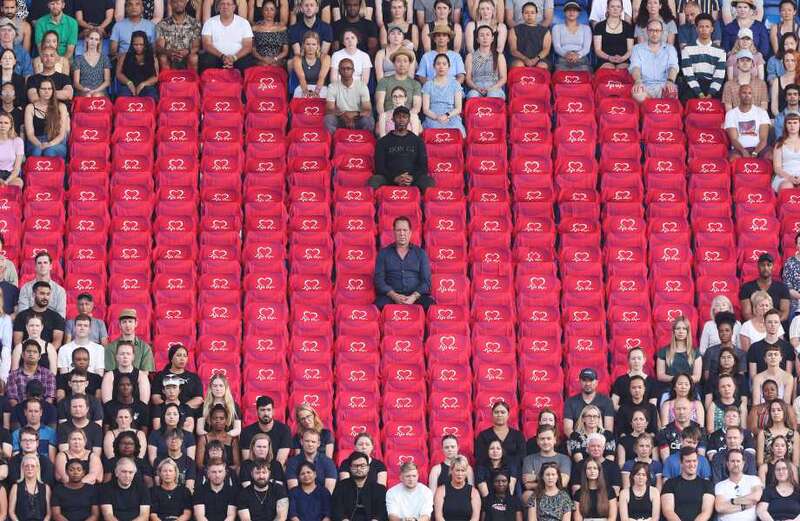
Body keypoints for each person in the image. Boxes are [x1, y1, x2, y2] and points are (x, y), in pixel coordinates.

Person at [372, 108, 431, 189]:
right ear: (393, 119)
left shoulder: (418, 141)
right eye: (398, 117)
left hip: (413, 179)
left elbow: (423, 167)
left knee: (428, 182)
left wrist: (412, 177)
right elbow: (380, 167)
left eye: (405, 117)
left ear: (409, 120)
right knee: (374, 180)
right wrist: (395, 178)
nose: (401, 120)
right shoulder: (382, 142)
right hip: (389, 178)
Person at [629, 19, 678, 102]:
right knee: (637, 94)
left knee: (671, 92)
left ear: (662, 32)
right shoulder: (637, 48)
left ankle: (652, 105)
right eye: (651, 30)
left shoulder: (670, 49)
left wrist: (670, 81)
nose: (654, 33)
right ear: (647, 32)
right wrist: (638, 81)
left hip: (664, 85)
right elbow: (635, 67)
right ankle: (655, 106)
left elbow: (673, 67)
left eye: (657, 30)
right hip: (645, 85)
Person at [678, 13, 725, 100]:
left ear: (712, 29)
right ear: (696, 29)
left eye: (707, 26)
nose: (704, 29)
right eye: (701, 26)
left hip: (712, 85)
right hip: (692, 86)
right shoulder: (687, 49)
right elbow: (688, 74)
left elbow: (719, 76)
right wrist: (700, 94)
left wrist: (711, 94)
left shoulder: (721, 51)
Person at [199, 0, 255, 72]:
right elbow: (206, 44)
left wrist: (234, 58)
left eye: (228, 4)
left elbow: (248, 46)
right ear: (218, 7)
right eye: (222, 4)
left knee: (246, 63)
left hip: (238, 58)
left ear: (234, 7)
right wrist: (222, 56)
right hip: (216, 57)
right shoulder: (210, 22)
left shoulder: (244, 23)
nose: (225, 6)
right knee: (206, 60)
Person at [661, 447, 714, 521]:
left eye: (694, 461)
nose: (692, 464)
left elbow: (706, 512)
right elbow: (668, 511)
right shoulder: (669, 484)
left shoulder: (707, 485)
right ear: (681, 463)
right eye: (688, 461)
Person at [331, 452, 386, 521]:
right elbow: (336, 508)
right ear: (350, 468)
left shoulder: (379, 489)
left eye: (362, 466)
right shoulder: (341, 486)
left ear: (368, 468)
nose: (359, 469)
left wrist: (376, 519)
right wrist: (343, 519)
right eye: (355, 466)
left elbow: (382, 511)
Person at [324, 57, 374, 133]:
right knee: (328, 119)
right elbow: (329, 110)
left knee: (368, 120)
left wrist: (354, 115)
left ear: (353, 70)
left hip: (358, 118)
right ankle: (333, 143)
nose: (345, 71)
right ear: (339, 71)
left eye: (348, 68)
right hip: (340, 118)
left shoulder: (362, 86)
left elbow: (367, 110)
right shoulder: (332, 87)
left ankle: (364, 141)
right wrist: (344, 116)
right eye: (342, 68)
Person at [521, 426, 571, 499]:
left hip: (558, 496)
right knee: (527, 494)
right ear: (537, 441)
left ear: (555, 440)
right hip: (537, 495)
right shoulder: (528, 459)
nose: (545, 442)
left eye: (548, 438)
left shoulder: (564, 459)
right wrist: (552, 481)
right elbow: (527, 485)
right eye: (542, 439)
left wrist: (536, 477)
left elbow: (562, 483)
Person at [23, 78, 67, 158]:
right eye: (43, 88)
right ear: (38, 90)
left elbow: (61, 134)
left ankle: (56, 170)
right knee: (37, 151)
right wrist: (40, 145)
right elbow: (30, 134)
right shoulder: (30, 107)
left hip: (56, 142)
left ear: (53, 91)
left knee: (49, 151)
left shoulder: (61, 107)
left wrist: (49, 144)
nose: (46, 91)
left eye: (49, 89)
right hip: (35, 141)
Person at [421, 53, 465, 134]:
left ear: (449, 66)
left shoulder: (455, 84)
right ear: (434, 66)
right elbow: (425, 109)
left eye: (444, 64)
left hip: (451, 116)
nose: (441, 66)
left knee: (457, 132)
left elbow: (458, 108)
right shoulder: (428, 85)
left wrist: (447, 115)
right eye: (438, 64)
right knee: (434, 131)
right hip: (433, 116)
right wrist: (437, 117)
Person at [564, 368, 614, 438]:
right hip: (577, 440)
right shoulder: (570, 402)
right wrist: (579, 440)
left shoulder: (607, 401)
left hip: (599, 442)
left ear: (596, 382)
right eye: (584, 380)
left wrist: (597, 442)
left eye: (591, 380)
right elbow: (567, 428)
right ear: (580, 382)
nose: (587, 383)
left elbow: (608, 428)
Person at [241, 396, 292, 464]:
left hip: (276, 470)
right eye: (262, 410)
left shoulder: (284, 430)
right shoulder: (246, 432)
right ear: (257, 412)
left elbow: (280, 461)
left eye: (268, 410)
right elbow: (248, 460)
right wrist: (260, 473)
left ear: (273, 411)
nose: (266, 414)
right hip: (254, 471)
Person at [714, 449, 763, 519]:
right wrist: (744, 506)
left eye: (738, 461)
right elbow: (720, 508)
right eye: (732, 461)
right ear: (727, 464)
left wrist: (732, 501)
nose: (736, 464)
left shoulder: (754, 479)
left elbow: (756, 497)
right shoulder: (720, 485)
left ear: (743, 463)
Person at [155, 0, 202, 71]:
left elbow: (196, 46)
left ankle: (192, 80)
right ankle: (167, 81)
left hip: (187, 56)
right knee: (163, 58)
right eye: (175, 2)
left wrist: (188, 52)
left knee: (194, 58)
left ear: (186, 3)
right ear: (170, 4)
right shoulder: (162, 24)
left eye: (181, 1)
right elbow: (159, 46)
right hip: (170, 57)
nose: (178, 4)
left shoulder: (195, 23)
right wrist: (168, 52)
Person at [16, 254, 66, 319]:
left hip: (52, 325)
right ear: (35, 267)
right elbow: (22, 312)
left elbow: (61, 316)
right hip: (31, 325)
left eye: (45, 263)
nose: (42, 266)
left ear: (50, 266)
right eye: (39, 263)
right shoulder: (26, 288)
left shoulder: (60, 290)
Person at [432, 455, 481, 521]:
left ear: (466, 472)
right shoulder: (441, 491)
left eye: (463, 470)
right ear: (451, 471)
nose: (460, 474)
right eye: (457, 470)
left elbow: (475, 518)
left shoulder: (474, 492)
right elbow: (438, 516)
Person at [7, 341, 55, 406]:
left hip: (42, 412)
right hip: (20, 412)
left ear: (39, 356)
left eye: (35, 352)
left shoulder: (48, 374)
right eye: (28, 351)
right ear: (23, 355)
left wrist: (37, 413)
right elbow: (13, 400)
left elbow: (49, 398)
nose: (31, 354)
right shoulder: (13, 375)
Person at [465, 26, 506, 98]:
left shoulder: (499, 56)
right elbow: (468, 78)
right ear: (477, 39)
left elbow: (503, 78)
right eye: (481, 35)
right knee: (472, 95)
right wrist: (476, 88)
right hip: (476, 87)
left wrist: (491, 89)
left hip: (494, 88)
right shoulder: (470, 56)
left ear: (492, 38)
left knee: (492, 95)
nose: (485, 38)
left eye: (487, 35)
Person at [375, 46, 420, 111]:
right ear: (393, 64)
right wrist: (384, 116)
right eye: (398, 61)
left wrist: (407, 117)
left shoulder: (415, 84)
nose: (402, 64)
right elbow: (380, 104)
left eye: (405, 61)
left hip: (408, 117)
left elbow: (416, 107)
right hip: (388, 117)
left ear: (409, 64)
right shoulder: (384, 81)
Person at [757, 400, 800, 467]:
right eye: (773, 410)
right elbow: (760, 462)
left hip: (788, 472)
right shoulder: (763, 434)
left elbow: (796, 463)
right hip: (768, 472)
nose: (776, 413)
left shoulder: (794, 434)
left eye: (779, 410)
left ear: (784, 412)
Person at [592, 0, 633, 69]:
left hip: (623, 60)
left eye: (618, 7)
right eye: (612, 6)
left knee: (621, 69)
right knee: (609, 68)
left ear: (622, 9)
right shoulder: (599, 26)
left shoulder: (628, 27)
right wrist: (609, 57)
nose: (615, 9)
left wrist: (622, 58)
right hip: (604, 60)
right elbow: (598, 50)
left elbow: (630, 50)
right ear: (607, 8)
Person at [9, 453, 50, 521]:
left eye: (32, 466)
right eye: (26, 466)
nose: (29, 468)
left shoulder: (46, 488)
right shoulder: (15, 487)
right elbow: (11, 512)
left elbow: (49, 514)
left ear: (37, 468)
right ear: (22, 468)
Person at [508, 1, 550, 67]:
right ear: (522, 14)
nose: (529, 15)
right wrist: (525, 59)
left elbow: (546, 49)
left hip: (539, 59)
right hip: (519, 59)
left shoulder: (545, 31)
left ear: (536, 14)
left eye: (532, 13)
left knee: (542, 66)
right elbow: (513, 50)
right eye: (526, 13)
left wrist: (536, 59)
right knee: (518, 65)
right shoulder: (514, 30)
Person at [551, 2, 591, 70]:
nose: (571, 12)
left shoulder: (586, 28)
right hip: (563, 57)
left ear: (578, 13)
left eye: (574, 10)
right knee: (561, 75)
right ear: (564, 12)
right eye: (569, 10)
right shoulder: (556, 28)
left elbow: (586, 48)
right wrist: (566, 54)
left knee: (584, 74)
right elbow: (557, 47)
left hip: (581, 58)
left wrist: (578, 55)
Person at [72, 29, 111, 97]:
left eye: (96, 39)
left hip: (100, 91)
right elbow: (76, 83)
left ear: (99, 42)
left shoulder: (104, 58)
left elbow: (107, 81)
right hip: (83, 91)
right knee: (88, 95)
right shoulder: (78, 59)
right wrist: (84, 89)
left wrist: (96, 90)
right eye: (91, 38)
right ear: (87, 39)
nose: (93, 42)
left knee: (96, 95)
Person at [292, 31, 330, 97]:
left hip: (321, 87)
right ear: (303, 45)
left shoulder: (325, 58)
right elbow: (302, 78)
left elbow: (322, 77)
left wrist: (316, 92)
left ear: (318, 46)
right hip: (303, 86)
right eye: (308, 44)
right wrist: (306, 92)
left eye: (313, 44)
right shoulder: (297, 58)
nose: (310, 47)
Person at [251, 0, 288, 66]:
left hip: (277, 62)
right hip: (260, 62)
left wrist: (275, 59)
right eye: (266, 9)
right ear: (262, 11)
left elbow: (285, 51)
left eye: (272, 9)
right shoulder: (255, 28)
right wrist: (263, 59)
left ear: (275, 12)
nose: (269, 12)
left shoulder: (282, 28)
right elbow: (253, 50)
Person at [773, 113, 800, 192]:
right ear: (785, 125)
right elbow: (777, 168)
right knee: (787, 186)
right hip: (784, 176)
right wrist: (789, 177)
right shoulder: (780, 143)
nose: (792, 125)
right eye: (789, 123)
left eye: (795, 122)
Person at [0, 110, 21, 189]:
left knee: (19, 183)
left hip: (10, 174)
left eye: (6, 123)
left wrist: (6, 181)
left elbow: (17, 168)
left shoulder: (17, 141)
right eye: (0, 122)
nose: (2, 125)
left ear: (11, 125)